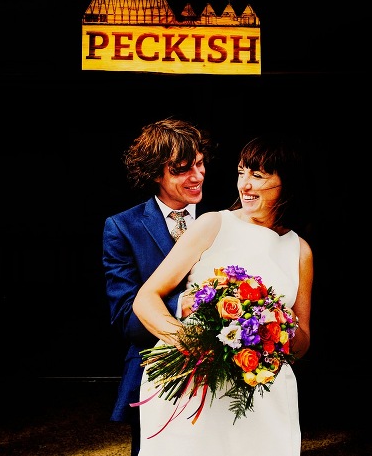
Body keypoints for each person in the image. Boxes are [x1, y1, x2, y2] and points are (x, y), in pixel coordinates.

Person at [132, 134, 313, 456]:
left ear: (287, 182)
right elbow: (146, 298)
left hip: (260, 388)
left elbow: (302, 341)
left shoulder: (299, 250)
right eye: (242, 172)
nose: (245, 184)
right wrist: (188, 345)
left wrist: (275, 327)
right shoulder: (213, 223)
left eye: (258, 175)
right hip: (194, 380)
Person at [103, 119, 212, 456]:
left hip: (227, 373)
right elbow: (127, 320)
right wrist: (192, 303)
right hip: (156, 375)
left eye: (200, 163)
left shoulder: (225, 217)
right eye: (182, 170)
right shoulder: (123, 228)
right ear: (154, 174)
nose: (197, 176)